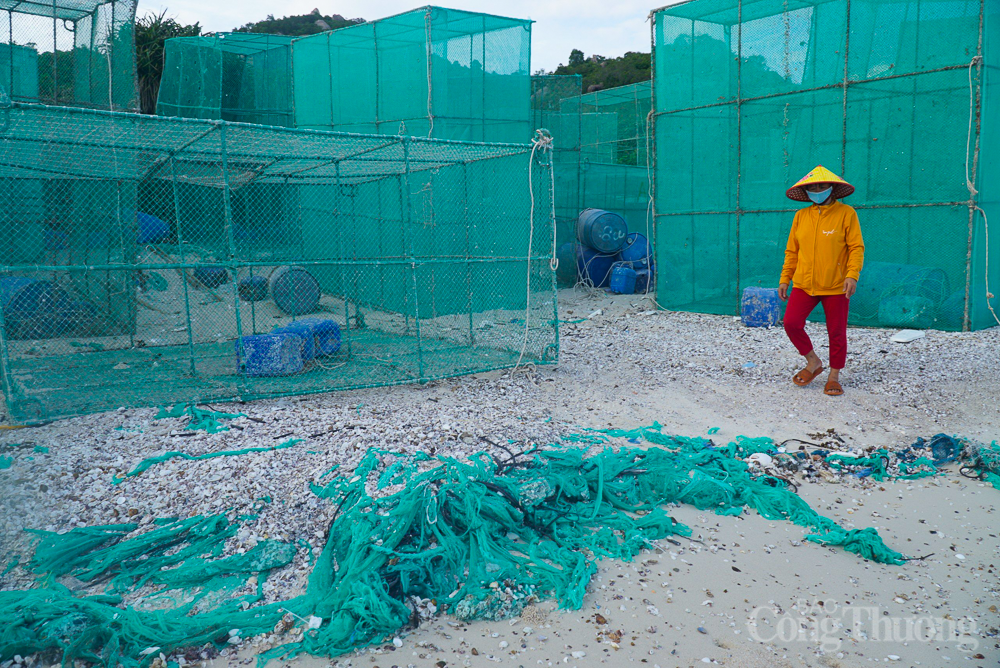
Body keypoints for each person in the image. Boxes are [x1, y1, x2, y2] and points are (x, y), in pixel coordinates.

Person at [778, 166, 865, 397]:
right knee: (791, 323)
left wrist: (851, 275)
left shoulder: (847, 214)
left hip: (836, 285)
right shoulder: (801, 216)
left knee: (836, 332)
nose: (817, 190)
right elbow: (792, 251)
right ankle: (813, 362)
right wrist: (785, 278)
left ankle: (834, 376)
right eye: (812, 188)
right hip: (804, 284)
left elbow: (856, 247)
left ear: (832, 188)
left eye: (822, 186)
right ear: (806, 192)